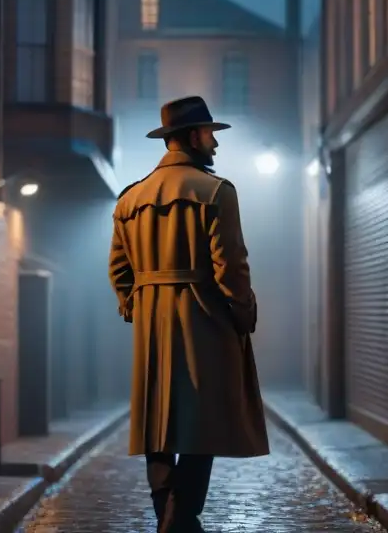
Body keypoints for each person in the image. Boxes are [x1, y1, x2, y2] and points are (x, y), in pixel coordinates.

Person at [108, 95, 270, 533]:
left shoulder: (129, 200)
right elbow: (232, 265)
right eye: (210, 135)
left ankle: (170, 516)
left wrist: (136, 308)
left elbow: (119, 270)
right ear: (193, 136)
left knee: (155, 426)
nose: (214, 145)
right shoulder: (217, 192)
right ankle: (179, 520)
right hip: (206, 319)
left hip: (151, 326)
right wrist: (242, 312)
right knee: (205, 420)